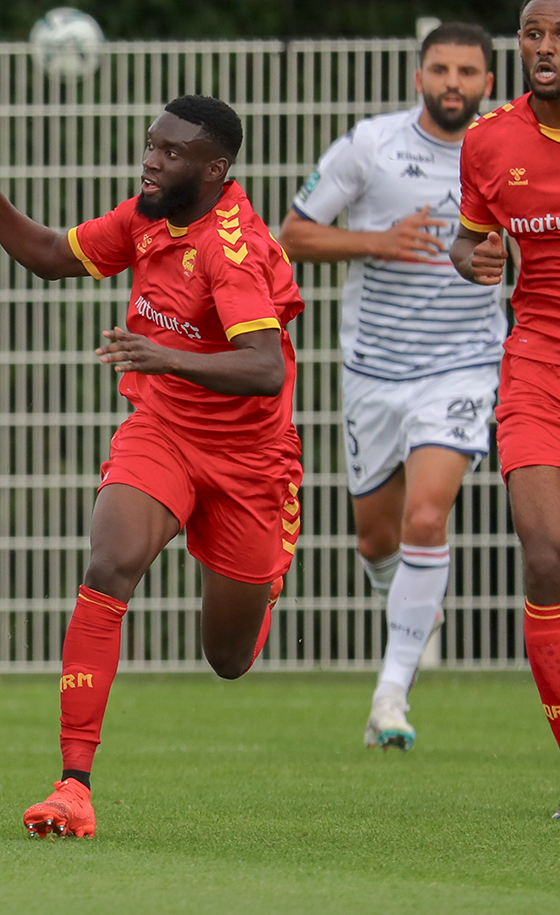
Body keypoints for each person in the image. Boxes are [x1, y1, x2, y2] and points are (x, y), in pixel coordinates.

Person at [0, 95, 303, 838]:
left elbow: (266, 368)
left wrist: (166, 354)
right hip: (163, 429)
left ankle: (263, 576)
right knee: (109, 563)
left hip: (249, 461)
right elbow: (49, 257)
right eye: (151, 145)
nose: (152, 161)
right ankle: (73, 784)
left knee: (228, 660)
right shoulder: (147, 215)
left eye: (171, 154)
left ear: (215, 169)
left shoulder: (230, 247)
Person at [277, 23, 501, 753]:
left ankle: (391, 693)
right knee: (377, 537)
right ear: (418, 77)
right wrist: (378, 240)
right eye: (440, 68)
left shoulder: (508, 152)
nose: (453, 83)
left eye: (468, 71)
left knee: (427, 519)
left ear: (488, 84)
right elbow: (293, 235)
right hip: (375, 370)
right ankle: (408, 602)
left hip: (467, 363)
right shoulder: (370, 144)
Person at [452, 0, 560, 819]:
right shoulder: (490, 141)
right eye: (533, 34)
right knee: (546, 554)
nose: (546, 48)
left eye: (559, 34)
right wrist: (475, 258)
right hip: (536, 364)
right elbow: (467, 238)